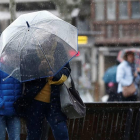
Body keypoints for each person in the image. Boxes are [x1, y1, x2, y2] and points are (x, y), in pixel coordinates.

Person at [0, 52, 22, 140]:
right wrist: (1, 103)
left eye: (17, 55)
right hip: (1, 111)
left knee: (16, 138)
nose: (15, 57)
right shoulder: (1, 67)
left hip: (14, 111)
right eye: (13, 54)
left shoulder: (19, 69)